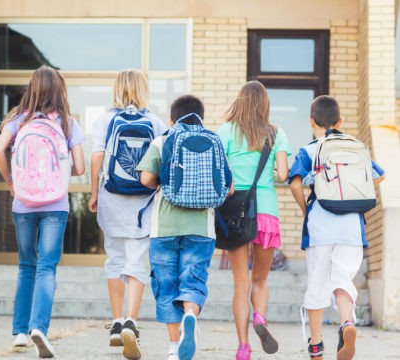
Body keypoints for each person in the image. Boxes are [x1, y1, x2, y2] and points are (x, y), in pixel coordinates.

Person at [0, 66, 85, 358]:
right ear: (60, 90)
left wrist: (11, 182)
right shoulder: (68, 123)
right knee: (47, 267)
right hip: (55, 205)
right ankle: (39, 329)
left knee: (26, 265)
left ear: (31, 88)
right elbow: (80, 167)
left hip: (23, 204)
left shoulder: (18, 119)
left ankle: (20, 331)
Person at [288, 95, 385, 360]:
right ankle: (346, 324)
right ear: (340, 121)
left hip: (321, 224)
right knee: (342, 280)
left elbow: (295, 183)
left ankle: (316, 347)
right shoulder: (357, 147)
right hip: (352, 226)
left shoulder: (309, 150)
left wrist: (306, 209)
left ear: (311, 121)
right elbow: (380, 174)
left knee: (318, 283)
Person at [88, 69, 167, 360]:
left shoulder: (106, 119)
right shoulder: (156, 121)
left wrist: (93, 192)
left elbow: (97, 157)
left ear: (117, 88)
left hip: (111, 197)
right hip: (144, 203)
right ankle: (131, 323)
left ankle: (117, 322)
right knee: (137, 261)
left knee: (115, 259)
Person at [137, 95, 222, 360]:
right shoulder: (214, 141)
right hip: (202, 228)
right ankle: (190, 315)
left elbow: (146, 178)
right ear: (201, 118)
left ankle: (174, 348)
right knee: (193, 281)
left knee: (167, 286)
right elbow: (227, 187)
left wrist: (163, 185)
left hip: (164, 228)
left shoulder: (162, 141)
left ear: (172, 120)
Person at [217, 80, 291, 360]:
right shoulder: (276, 133)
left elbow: (221, 172)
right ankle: (260, 316)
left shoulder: (226, 131)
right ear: (265, 104)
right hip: (267, 213)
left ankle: (243, 347)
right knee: (260, 280)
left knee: (241, 283)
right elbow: (283, 174)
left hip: (236, 214)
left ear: (240, 101)